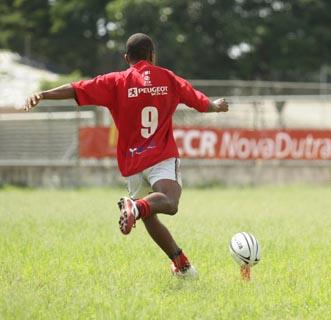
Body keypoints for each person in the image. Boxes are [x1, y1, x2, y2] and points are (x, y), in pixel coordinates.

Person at [24, 33, 229, 279]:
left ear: (126, 57)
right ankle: (138, 208)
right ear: (152, 55)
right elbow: (199, 102)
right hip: (161, 155)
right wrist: (216, 105)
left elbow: (76, 89)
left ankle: (181, 264)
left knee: (148, 215)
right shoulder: (168, 78)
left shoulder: (116, 81)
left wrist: (44, 95)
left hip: (132, 161)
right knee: (169, 202)